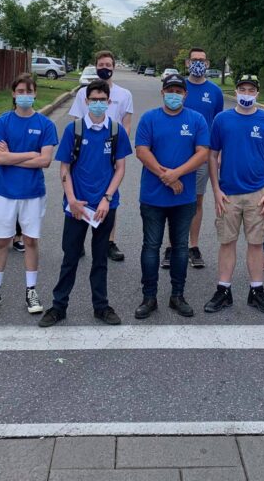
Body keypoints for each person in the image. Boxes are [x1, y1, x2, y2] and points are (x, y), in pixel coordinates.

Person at [40, 79, 132, 327]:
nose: (99, 104)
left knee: (100, 259)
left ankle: (101, 306)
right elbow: (65, 168)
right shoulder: (75, 130)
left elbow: (120, 168)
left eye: (103, 100)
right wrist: (72, 200)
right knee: (70, 258)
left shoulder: (116, 131)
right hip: (77, 207)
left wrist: (107, 198)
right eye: (94, 100)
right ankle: (58, 306)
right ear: (86, 101)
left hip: (104, 207)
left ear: (109, 102)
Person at [0, 74, 58, 315]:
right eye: (20, 91)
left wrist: (15, 157)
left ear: (35, 93)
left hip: (32, 193)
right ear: (13, 93)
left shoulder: (45, 124)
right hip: (3, 192)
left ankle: (31, 290)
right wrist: (30, 155)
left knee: (30, 240)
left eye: (28, 91)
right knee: (2, 241)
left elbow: (45, 160)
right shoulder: (2, 122)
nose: (24, 95)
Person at [134, 73, 210, 319]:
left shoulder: (196, 119)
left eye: (179, 91)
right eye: (170, 91)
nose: (174, 95)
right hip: (153, 196)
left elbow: (202, 153)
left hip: (183, 197)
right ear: (163, 93)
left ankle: (177, 295)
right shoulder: (150, 118)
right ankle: (149, 297)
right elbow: (142, 150)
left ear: (185, 95)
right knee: (151, 247)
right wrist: (164, 175)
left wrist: (176, 173)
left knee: (180, 248)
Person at [204, 74, 264, 315]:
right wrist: (216, 190)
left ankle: (256, 290)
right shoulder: (222, 119)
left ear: (257, 93)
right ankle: (223, 289)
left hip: (257, 193)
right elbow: (212, 155)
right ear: (236, 91)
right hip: (228, 193)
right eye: (242, 89)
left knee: (256, 243)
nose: (246, 93)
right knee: (227, 242)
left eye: (251, 90)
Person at [69, 50, 133, 262]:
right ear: (96, 66)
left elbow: (126, 124)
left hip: (111, 152)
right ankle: (78, 240)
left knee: (109, 196)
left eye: (108, 64)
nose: (105, 68)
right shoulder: (83, 93)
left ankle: (109, 241)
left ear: (114, 67)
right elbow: (76, 122)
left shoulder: (124, 94)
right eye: (101, 64)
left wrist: (118, 150)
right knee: (82, 191)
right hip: (86, 151)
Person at [164, 46, 224, 270]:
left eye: (202, 60)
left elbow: (218, 126)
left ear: (207, 64)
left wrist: (218, 155)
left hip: (203, 155)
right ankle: (171, 247)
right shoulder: (178, 88)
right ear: (188, 63)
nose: (198, 63)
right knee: (174, 199)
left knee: (196, 201)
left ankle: (193, 246)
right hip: (178, 154)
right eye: (194, 60)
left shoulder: (215, 92)